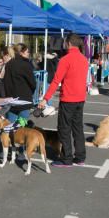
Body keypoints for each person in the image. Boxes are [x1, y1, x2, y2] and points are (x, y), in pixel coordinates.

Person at [38, 33, 89, 167]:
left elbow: (56, 81)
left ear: (68, 43)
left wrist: (45, 99)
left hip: (68, 99)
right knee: (78, 128)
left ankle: (66, 158)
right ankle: (80, 157)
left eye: (64, 42)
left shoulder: (65, 60)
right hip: (80, 98)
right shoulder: (84, 59)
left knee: (64, 129)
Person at [2, 44, 37, 122]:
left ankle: (12, 133)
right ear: (21, 52)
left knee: (10, 128)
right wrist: (30, 93)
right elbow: (32, 83)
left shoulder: (9, 64)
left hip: (11, 101)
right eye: (27, 52)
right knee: (22, 127)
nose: (28, 54)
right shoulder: (26, 64)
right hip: (24, 101)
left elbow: (6, 82)